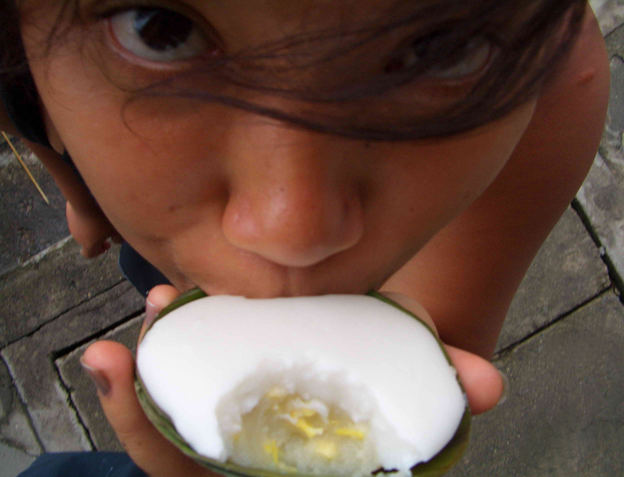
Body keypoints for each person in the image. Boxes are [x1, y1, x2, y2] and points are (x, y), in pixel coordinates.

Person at [1, 1, 609, 476]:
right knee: (147, 267)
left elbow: (420, 379)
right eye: (159, 28)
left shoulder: (551, 77)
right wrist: (79, 194)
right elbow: (20, 93)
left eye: (445, 48)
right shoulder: (26, 56)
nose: (293, 234)